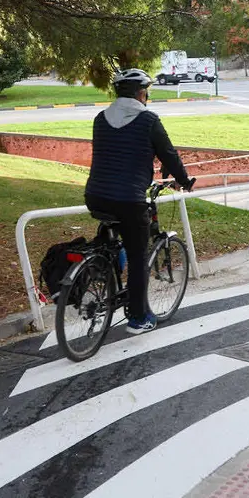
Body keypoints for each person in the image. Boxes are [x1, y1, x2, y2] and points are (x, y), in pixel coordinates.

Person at [85, 68, 194, 334]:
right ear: (142, 93)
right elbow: (168, 153)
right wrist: (183, 179)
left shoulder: (100, 119)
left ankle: (107, 274)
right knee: (138, 256)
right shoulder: (148, 120)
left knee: (115, 237)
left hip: (96, 195)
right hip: (129, 199)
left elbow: (116, 152)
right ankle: (137, 318)